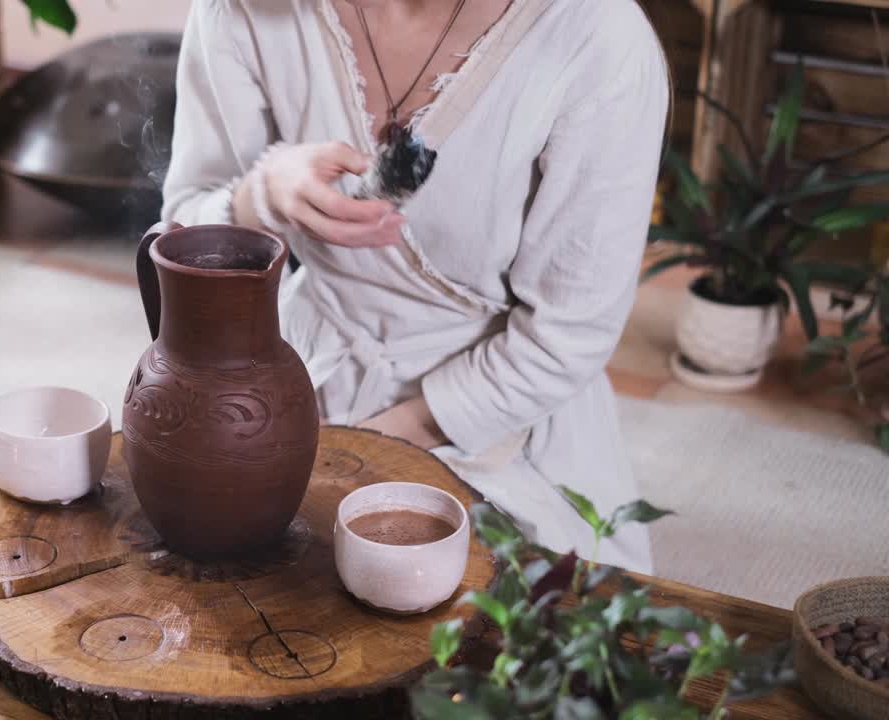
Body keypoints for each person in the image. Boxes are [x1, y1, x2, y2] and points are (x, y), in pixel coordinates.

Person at [161, 0, 670, 573]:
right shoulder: (245, 12)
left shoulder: (596, 36)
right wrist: (261, 196)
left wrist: (358, 454)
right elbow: (182, 229)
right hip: (305, 379)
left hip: (498, 413)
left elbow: (567, 335)